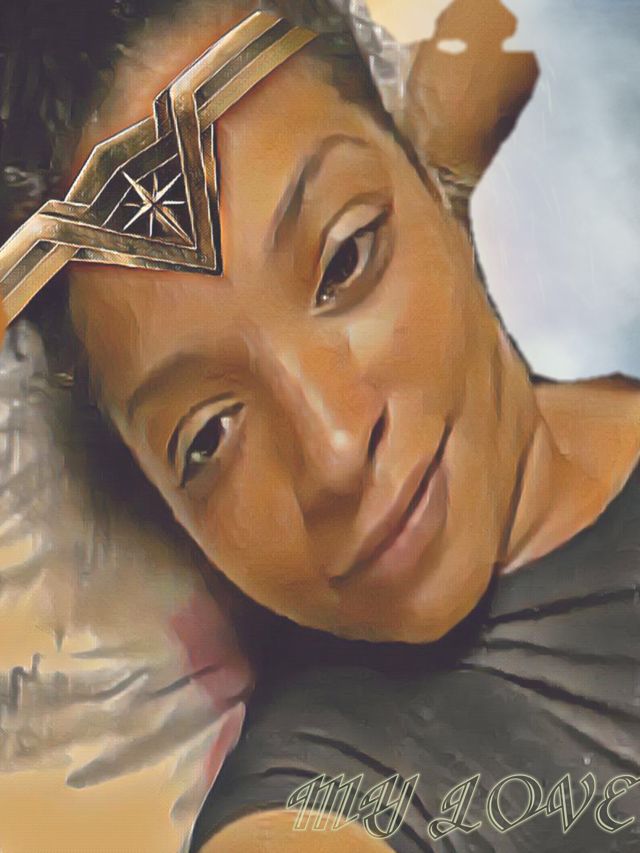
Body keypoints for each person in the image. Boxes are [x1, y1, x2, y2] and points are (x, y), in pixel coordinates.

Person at [1, 1, 639, 851]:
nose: (334, 449)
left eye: (345, 257)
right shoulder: (322, 794)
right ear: (163, 509)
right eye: (206, 436)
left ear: (432, 178)